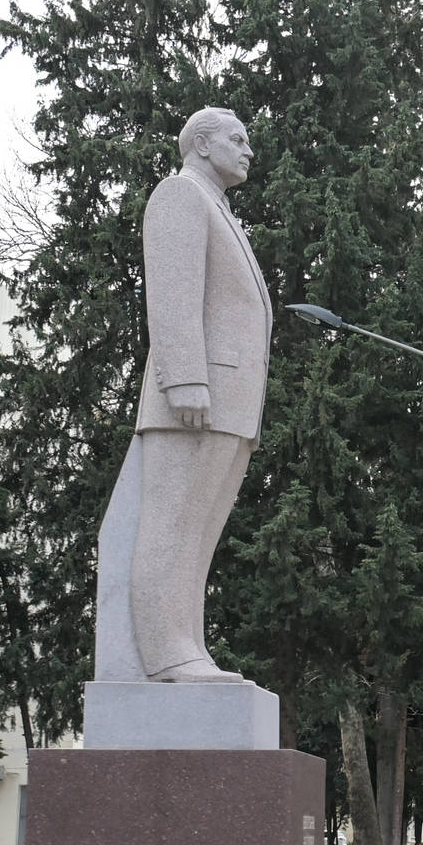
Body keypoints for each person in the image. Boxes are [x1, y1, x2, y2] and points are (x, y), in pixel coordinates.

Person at [95, 106, 273, 683]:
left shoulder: (217, 208)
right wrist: (187, 379)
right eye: (236, 140)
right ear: (201, 144)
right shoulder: (179, 195)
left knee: (198, 534)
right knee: (172, 524)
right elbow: (172, 295)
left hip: (229, 401)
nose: (248, 151)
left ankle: (186, 646)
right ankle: (166, 653)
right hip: (195, 397)